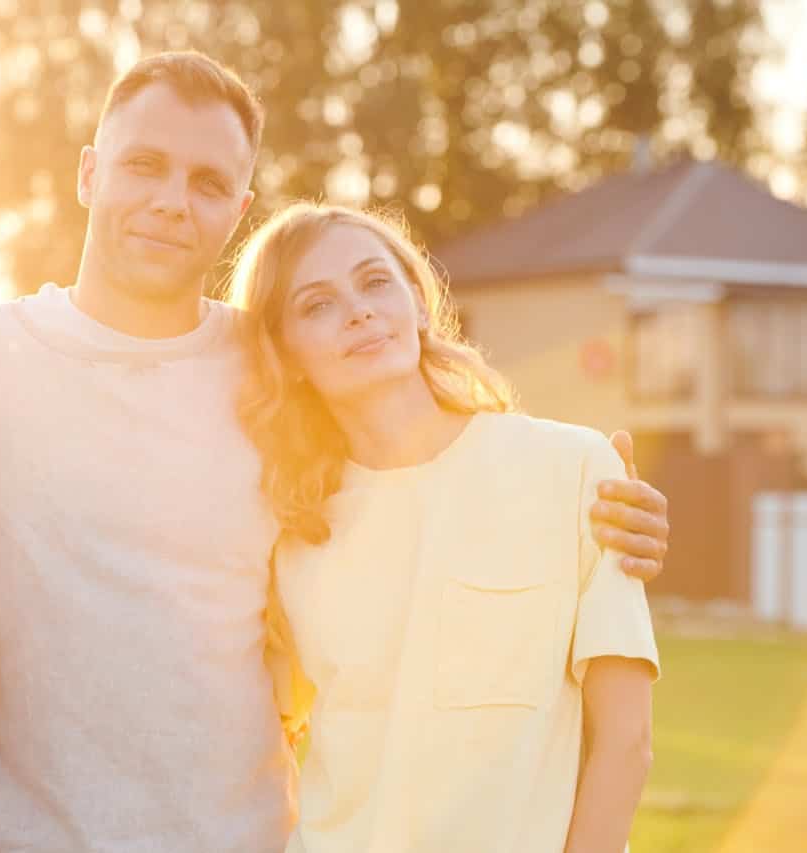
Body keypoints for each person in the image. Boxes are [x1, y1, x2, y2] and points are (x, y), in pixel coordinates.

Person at [0, 52, 669, 853]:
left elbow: (415, 476)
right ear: (88, 173)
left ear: (238, 209)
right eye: (144, 166)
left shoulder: (276, 373)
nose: (173, 199)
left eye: (209, 182)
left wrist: (598, 505)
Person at [233, 202, 660, 852]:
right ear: (284, 352)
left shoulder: (574, 468)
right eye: (317, 304)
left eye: (376, 282)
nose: (359, 311)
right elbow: (270, 739)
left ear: (419, 302)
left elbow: (626, 739)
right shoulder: (290, 532)